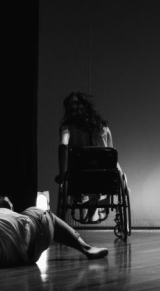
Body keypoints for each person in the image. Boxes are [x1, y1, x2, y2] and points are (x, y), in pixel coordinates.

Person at [56, 91, 120, 222]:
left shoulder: (67, 128)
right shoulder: (103, 128)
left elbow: (63, 146)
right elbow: (111, 156)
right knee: (106, 174)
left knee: (82, 178)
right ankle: (96, 212)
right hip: (102, 180)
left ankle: (89, 213)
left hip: (80, 179)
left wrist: (62, 174)